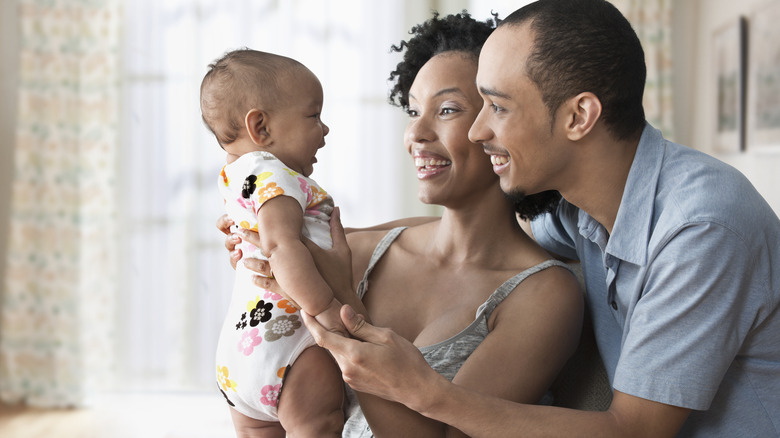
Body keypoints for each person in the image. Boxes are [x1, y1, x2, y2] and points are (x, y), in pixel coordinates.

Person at [301, 0, 780, 437]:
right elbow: (476, 230)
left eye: (498, 107)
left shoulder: (701, 229)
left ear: (578, 117)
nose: (478, 129)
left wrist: (426, 391)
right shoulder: (580, 210)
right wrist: (297, 237)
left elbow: (635, 432)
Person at [219, 12, 584, 438]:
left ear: (500, 123)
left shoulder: (544, 294)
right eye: (413, 111)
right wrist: (252, 232)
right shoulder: (365, 246)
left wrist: (342, 301)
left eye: (447, 110)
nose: (416, 133)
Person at [200, 49, 344, 437]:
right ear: (260, 127)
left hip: (239, 353)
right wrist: (327, 308)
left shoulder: (236, 176)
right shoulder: (273, 173)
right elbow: (283, 248)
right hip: (291, 341)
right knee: (320, 425)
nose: (325, 129)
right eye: (314, 116)